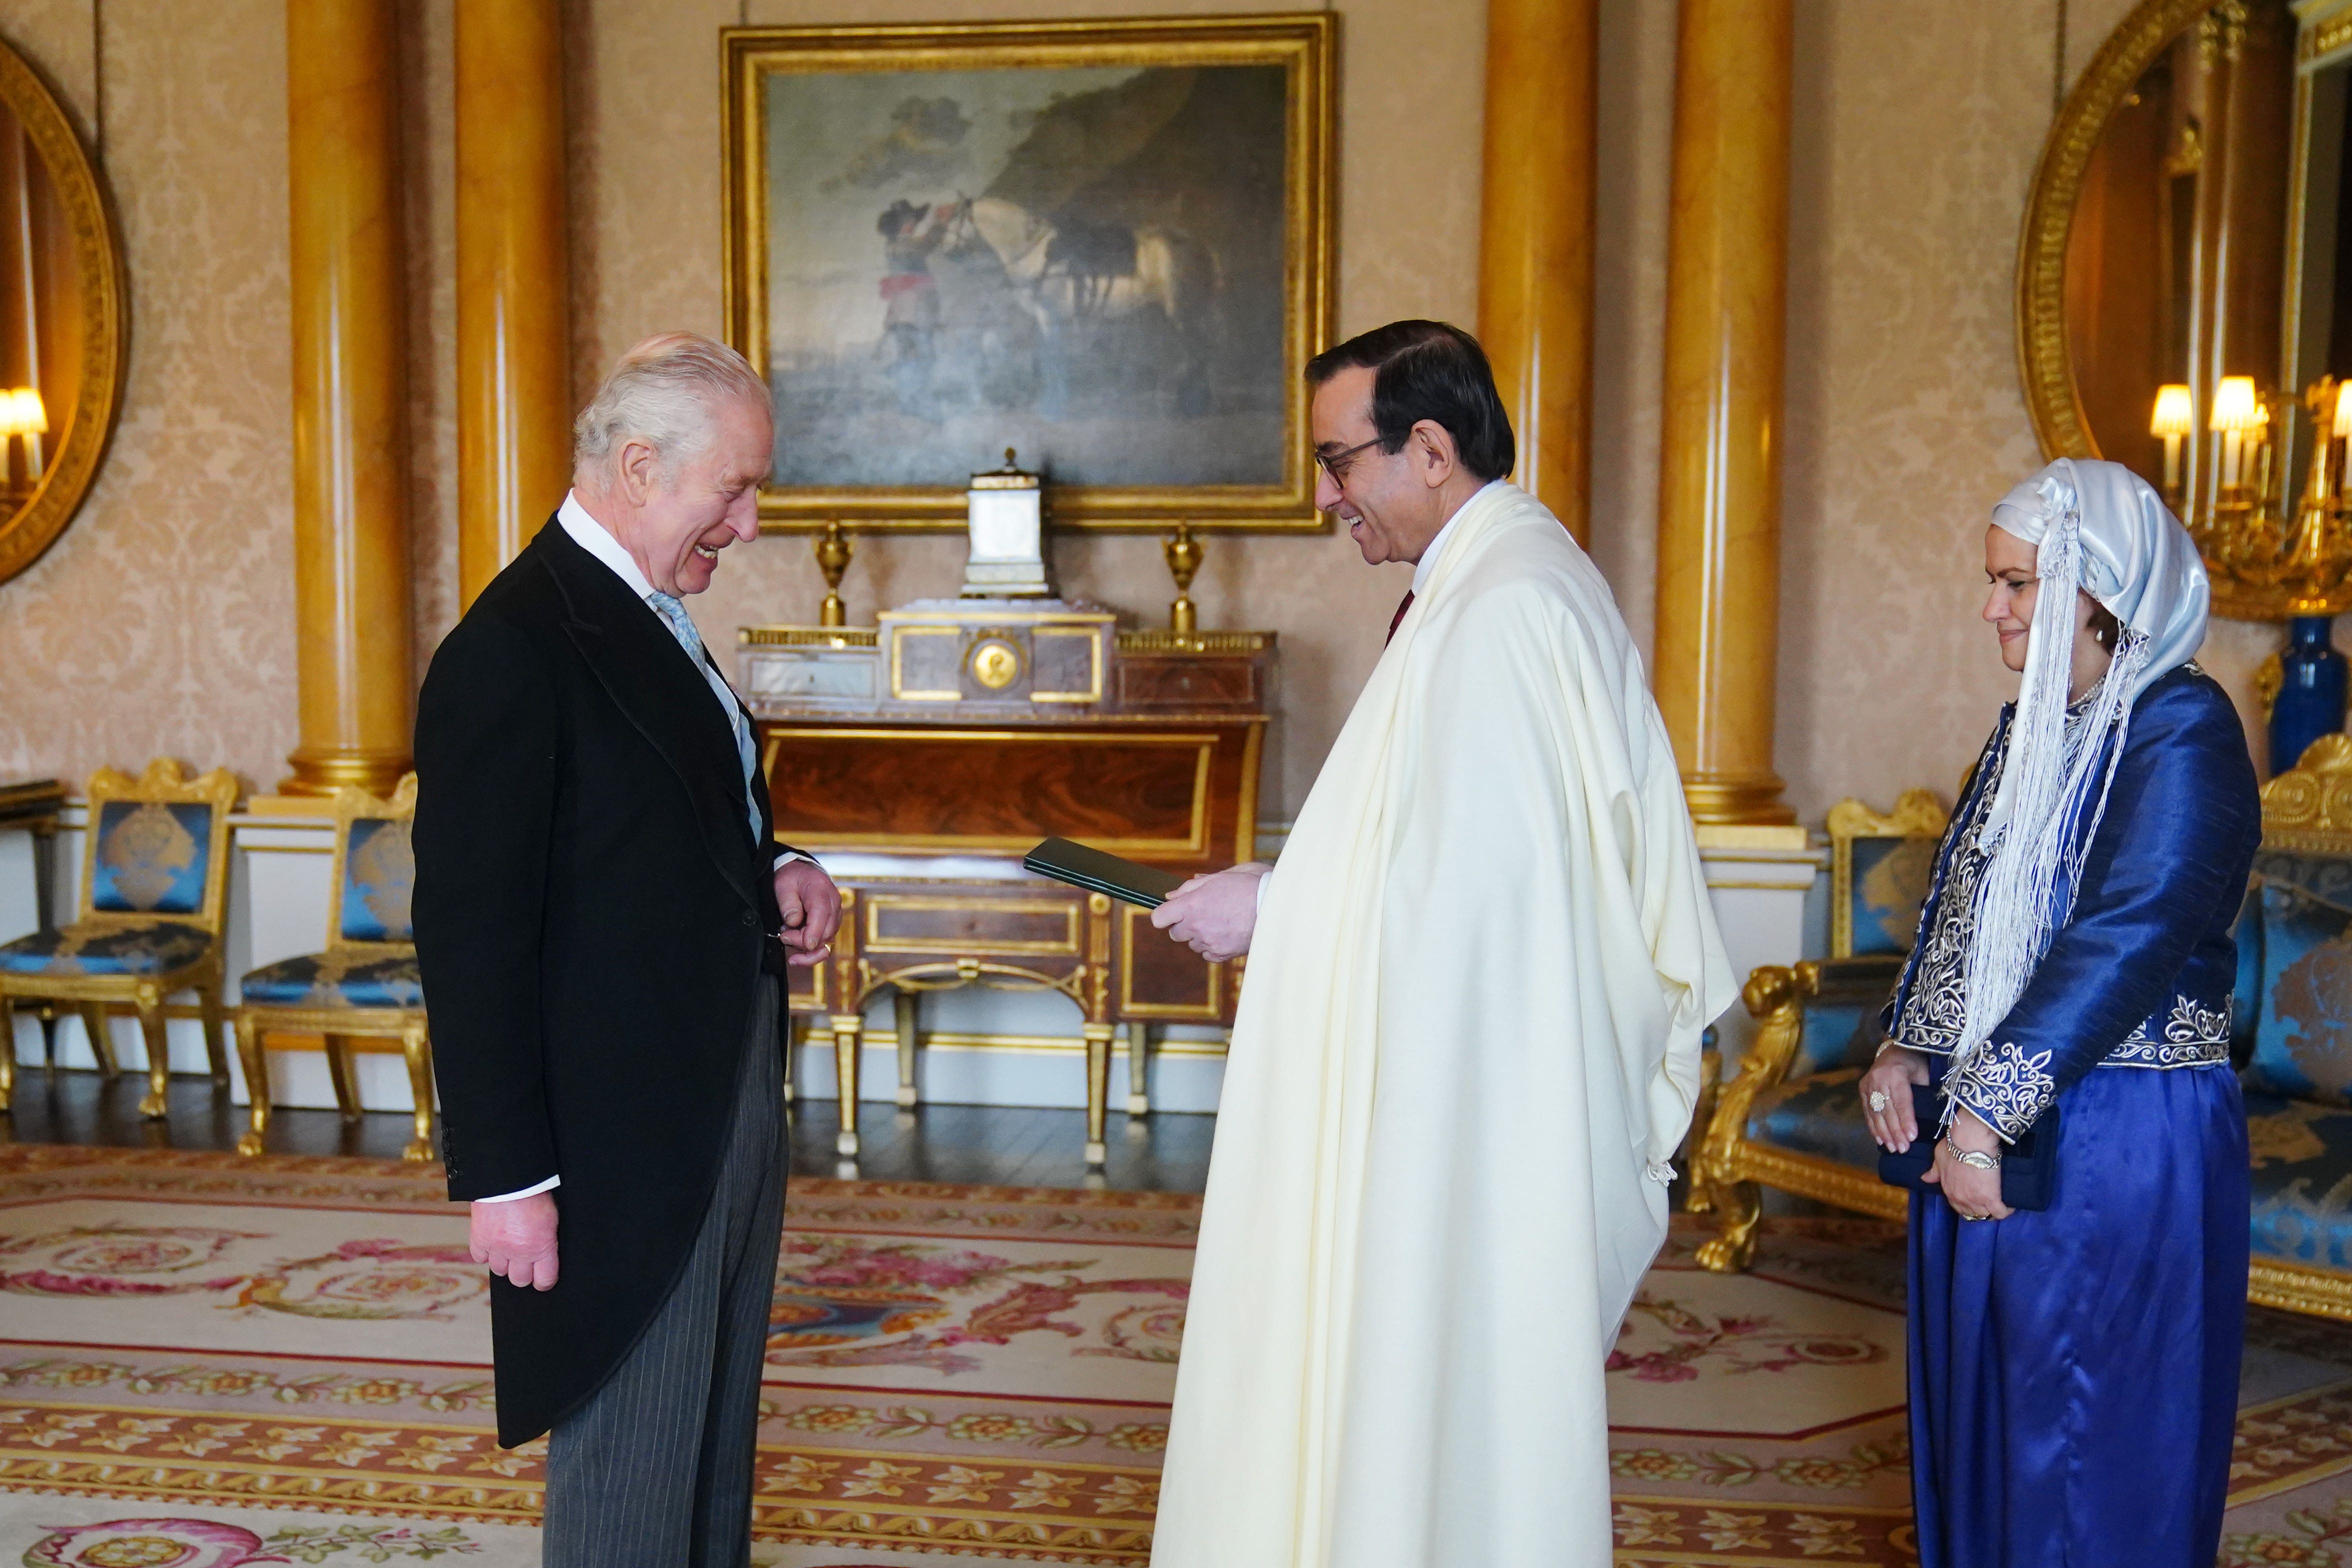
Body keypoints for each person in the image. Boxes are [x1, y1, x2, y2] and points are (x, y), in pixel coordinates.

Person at [1144, 320, 1736, 1568]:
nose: (1324, 497)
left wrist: (1280, 910)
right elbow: (1431, 846)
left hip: (1475, 1112)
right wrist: (1284, 877)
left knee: (1435, 1401)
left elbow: (1489, 901)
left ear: (1427, 446)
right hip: (1459, 1083)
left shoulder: (1509, 605)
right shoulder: (1492, 581)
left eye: (1337, 461)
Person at [412, 332, 842, 1567]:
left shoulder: (646, 614)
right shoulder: (514, 646)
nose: (750, 524)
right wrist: (503, 1178)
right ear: (642, 465)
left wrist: (777, 868)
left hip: (716, 1101)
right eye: (736, 488)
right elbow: (472, 933)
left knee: (707, 1443)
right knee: (630, 1463)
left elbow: (663, 813)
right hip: (614, 1142)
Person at [1856, 457, 2256, 1567]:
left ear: (2097, 589)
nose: (1992, 607)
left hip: (2117, 1134)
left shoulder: (2183, 726)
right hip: (1998, 1126)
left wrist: (1983, 1112)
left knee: (2083, 1433)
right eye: (1995, 583)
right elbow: (1966, 902)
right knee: (1987, 1410)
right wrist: (1906, 1047)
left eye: (2018, 584)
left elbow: (2133, 929)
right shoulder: (2037, 724)